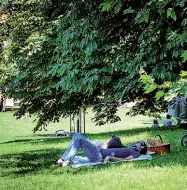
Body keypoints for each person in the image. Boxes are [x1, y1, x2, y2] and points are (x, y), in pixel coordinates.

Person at [56, 133, 147, 167]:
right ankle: (65, 159)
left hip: (99, 155)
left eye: (139, 142)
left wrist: (111, 158)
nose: (137, 142)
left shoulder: (136, 153)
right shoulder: (129, 148)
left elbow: (126, 159)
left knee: (79, 137)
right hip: (98, 152)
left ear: (142, 147)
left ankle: (66, 159)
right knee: (77, 136)